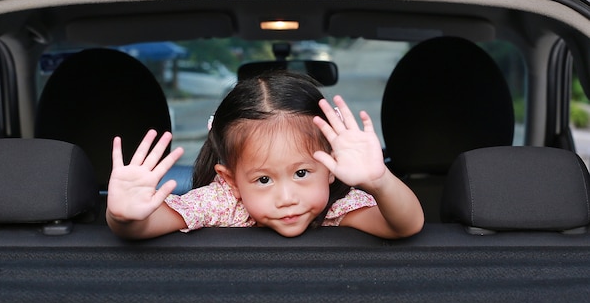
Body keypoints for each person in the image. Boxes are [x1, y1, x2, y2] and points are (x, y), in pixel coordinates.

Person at [106, 72, 424, 239]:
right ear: (230, 181)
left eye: (302, 173)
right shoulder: (221, 204)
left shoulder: (336, 206)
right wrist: (122, 218)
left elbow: (405, 226)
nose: (286, 198)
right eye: (263, 179)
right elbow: (143, 227)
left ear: (330, 168)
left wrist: (380, 181)